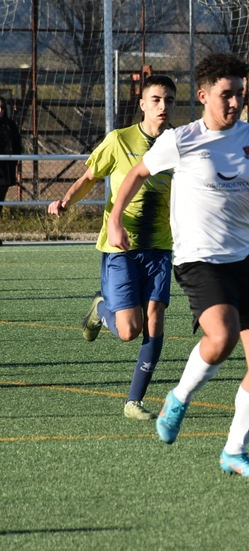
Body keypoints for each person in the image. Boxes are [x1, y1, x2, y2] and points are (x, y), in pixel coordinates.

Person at [107, 53, 249, 478]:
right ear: (203, 95)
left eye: (240, 94)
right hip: (199, 260)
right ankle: (178, 398)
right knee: (224, 334)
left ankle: (234, 451)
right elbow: (137, 173)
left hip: (247, 259)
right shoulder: (182, 140)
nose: (234, 102)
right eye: (226, 94)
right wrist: (114, 218)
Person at [47, 75, 177, 421]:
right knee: (127, 331)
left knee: (154, 318)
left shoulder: (179, 144)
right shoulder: (119, 140)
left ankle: (133, 401)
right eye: (156, 100)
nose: (163, 107)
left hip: (160, 246)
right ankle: (100, 307)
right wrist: (66, 200)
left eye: (169, 101)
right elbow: (90, 176)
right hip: (119, 246)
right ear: (142, 103)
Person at [0, 95, 23, 221]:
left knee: (0, 202)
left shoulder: (10, 125)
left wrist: (14, 160)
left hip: (4, 171)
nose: (0, 110)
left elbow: (17, 146)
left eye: (2, 107)